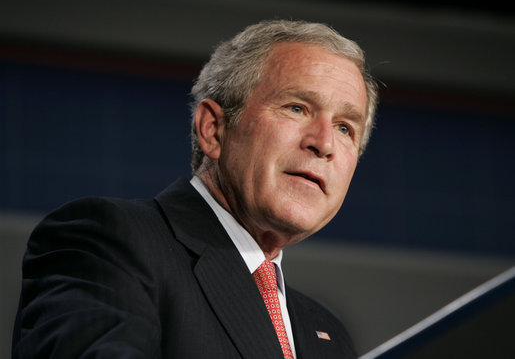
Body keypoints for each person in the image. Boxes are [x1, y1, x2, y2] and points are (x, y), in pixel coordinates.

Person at [12, 19, 378, 358]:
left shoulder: (327, 333)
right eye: (297, 107)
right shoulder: (110, 243)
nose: (324, 143)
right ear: (213, 129)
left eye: (346, 127)